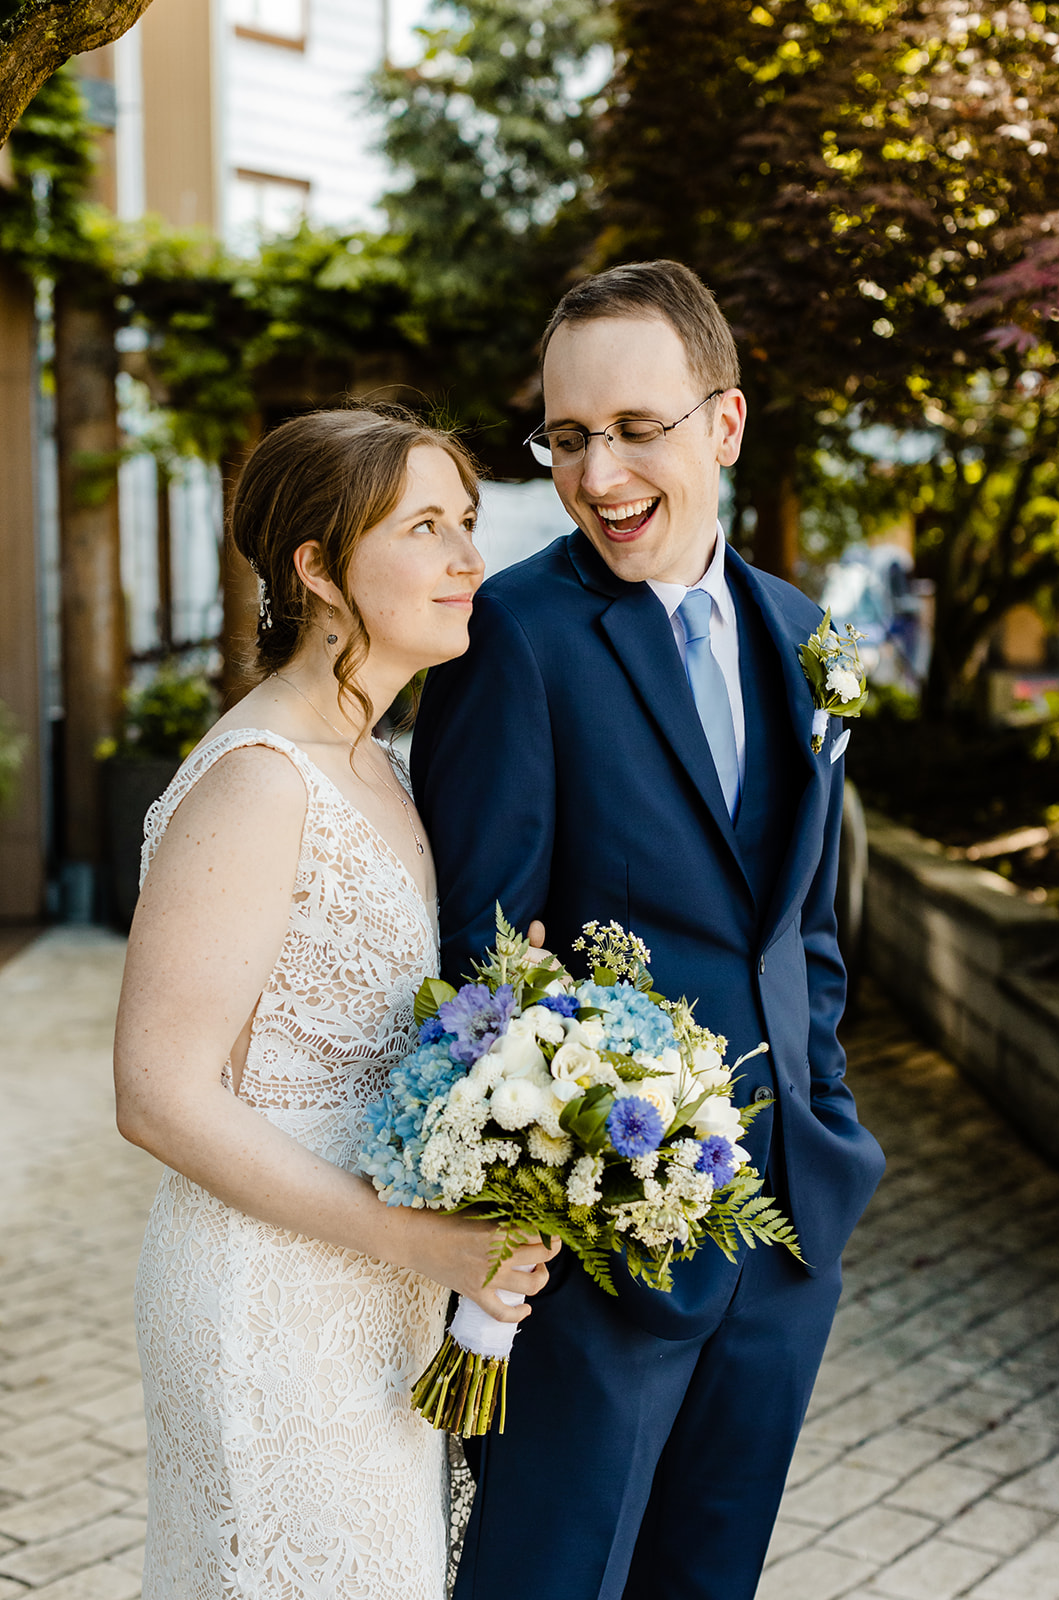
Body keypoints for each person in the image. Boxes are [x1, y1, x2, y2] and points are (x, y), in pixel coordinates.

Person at [411, 261, 886, 1600]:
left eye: (633, 429)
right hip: (599, 1252)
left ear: (722, 426)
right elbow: (469, 959)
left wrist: (825, 1124)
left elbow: (800, 927)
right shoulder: (512, 636)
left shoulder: (804, 637)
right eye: (567, 437)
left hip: (784, 1233)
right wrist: (529, 1205)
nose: (597, 472)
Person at [113, 407, 558, 1600]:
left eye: (465, 522)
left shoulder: (372, 761)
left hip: (379, 1294)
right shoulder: (261, 780)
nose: (470, 557)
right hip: (272, 1294)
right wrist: (416, 1239)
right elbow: (156, 1094)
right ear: (316, 567)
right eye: (425, 526)